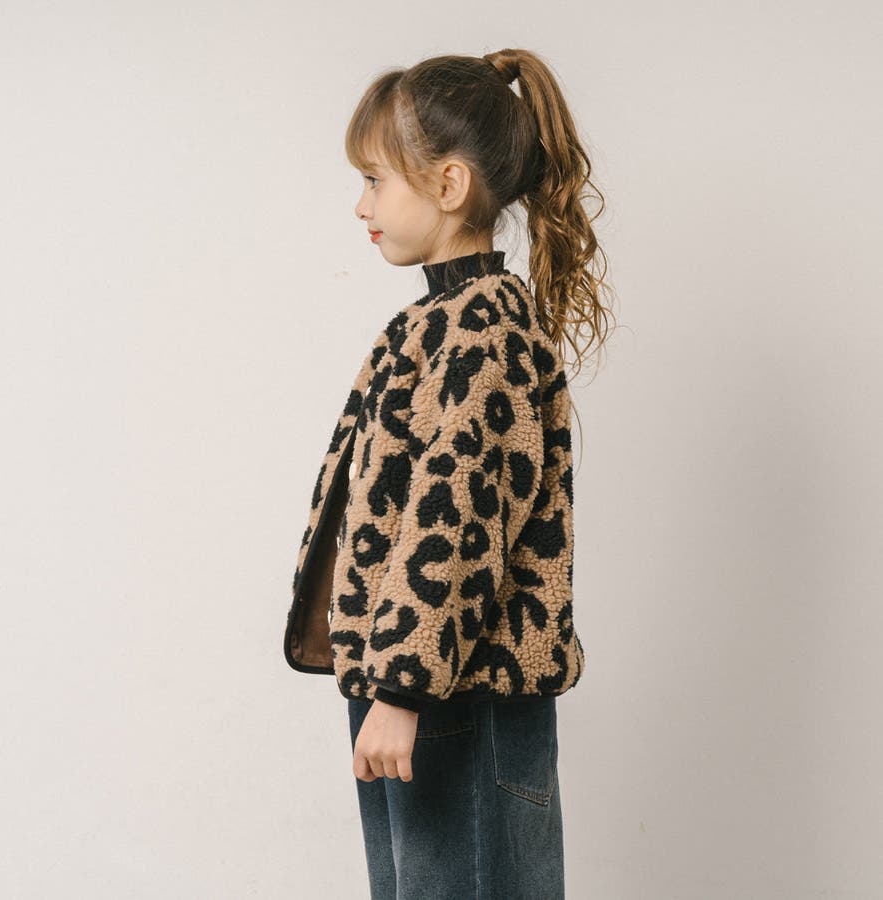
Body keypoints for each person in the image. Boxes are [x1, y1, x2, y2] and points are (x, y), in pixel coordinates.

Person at [283, 47, 616, 900]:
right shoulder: (435, 325)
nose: (361, 205)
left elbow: (457, 520)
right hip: (423, 685)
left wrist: (402, 688)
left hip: (453, 697)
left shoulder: (483, 334)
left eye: (374, 180)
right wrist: (388, 682)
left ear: (449, 185)